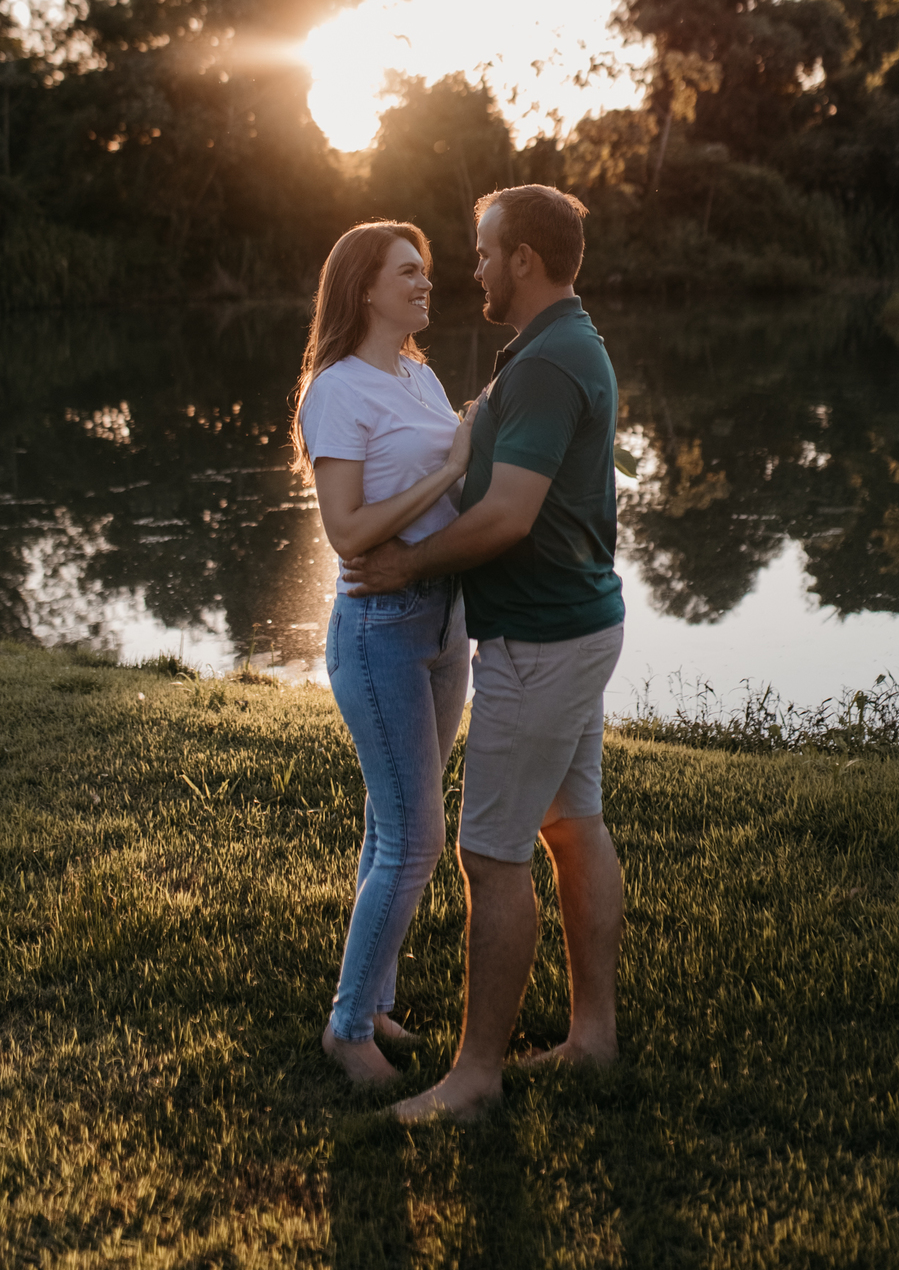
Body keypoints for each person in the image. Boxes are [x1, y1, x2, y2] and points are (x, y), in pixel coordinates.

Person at [343, 184, 626, 1122]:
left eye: (483, 251)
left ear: (524, 261)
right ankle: (592, 1040)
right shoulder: (556, 348)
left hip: (541, 641)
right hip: (574, 625)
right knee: (571, 824)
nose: (474, 269)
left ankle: (473, 1080)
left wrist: (405, 564)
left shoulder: (547, 363)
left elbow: (508, 515)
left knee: (491, 854)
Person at [291, 221, 476, 1086]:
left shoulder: (417, 373)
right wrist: (450, 467)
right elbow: (347, 530)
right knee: (414, 838)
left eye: (425, 271)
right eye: (408, 271)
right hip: (380, 630)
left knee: (390, 825)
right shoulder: (338, 390)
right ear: (365, 287)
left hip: (444, 621)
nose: (424, 283)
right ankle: (347, 1028)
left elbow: (456, 473)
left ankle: (375, 1003)